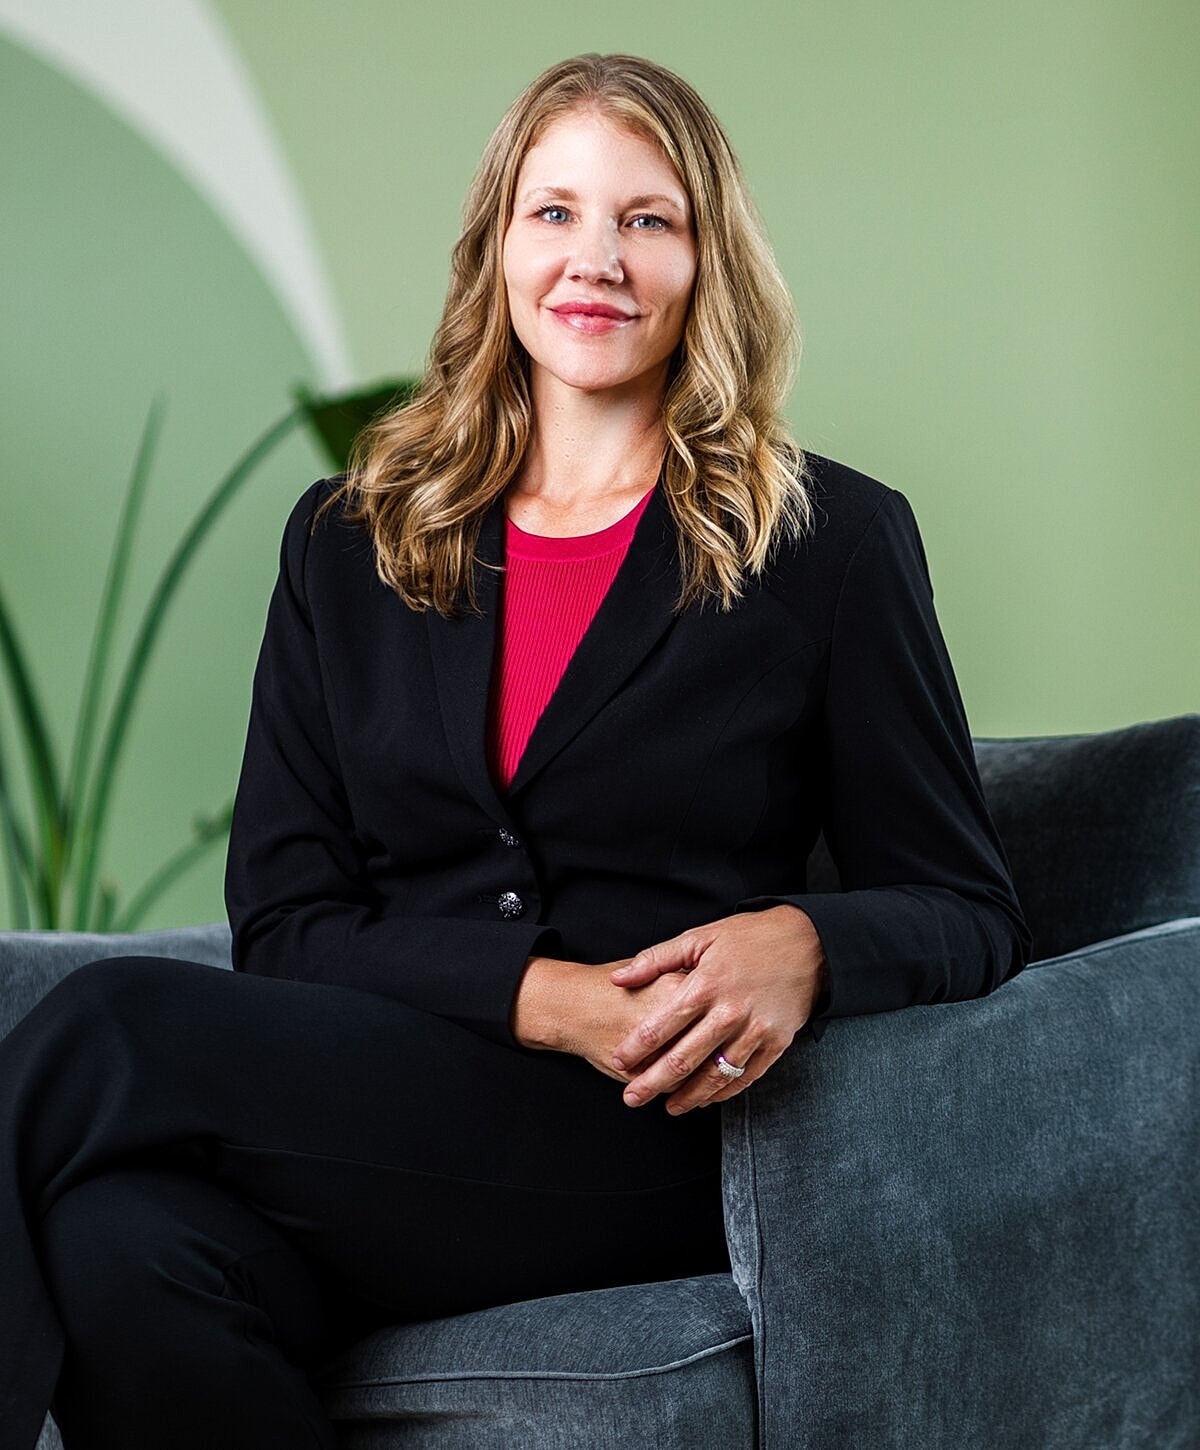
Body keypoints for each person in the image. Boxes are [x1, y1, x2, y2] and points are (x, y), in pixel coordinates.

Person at [0, 52, 1030, 1449]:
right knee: (123, 1242)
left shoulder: (828, 544)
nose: (594, 259)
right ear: (494, 248)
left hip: (628, 1140)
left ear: (706, 258)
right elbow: (289, 926)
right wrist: (543, 994)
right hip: (366, 1119)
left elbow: (966, 906)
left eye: (646, 219)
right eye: (553, 213)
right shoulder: (346, 540)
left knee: (99, 1029)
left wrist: (806, 941)